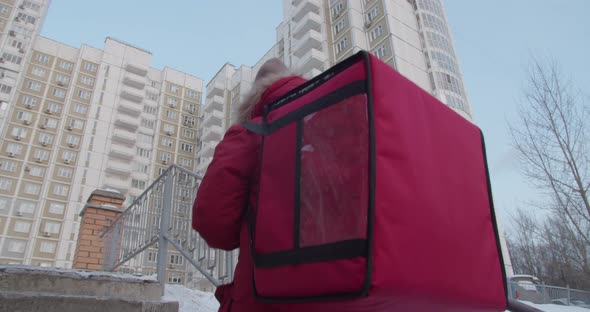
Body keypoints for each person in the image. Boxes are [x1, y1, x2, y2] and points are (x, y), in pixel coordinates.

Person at [192, 58, 306, 312]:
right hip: (342, 291)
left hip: (264, 295)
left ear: (257, 94)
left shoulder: (250, 133)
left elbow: (211, 221)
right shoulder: (329, 130)